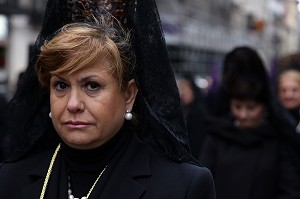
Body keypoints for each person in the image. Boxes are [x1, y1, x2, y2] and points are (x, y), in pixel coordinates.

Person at [0, 0, 215, 198]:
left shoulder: (182, 188)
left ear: (129, 95)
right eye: (61, 86)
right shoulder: (10, 180)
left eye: (92, 86)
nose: (73, 104)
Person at [199, 46, 300, 199]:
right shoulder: (217, 136)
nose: (243, 114)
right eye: (237, 107)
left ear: (264, 106)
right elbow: (202, 186)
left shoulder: (278, 140)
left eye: (251, 108)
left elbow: (290, 191)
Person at [176, 73, 208, 158]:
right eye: (181, 89)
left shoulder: (198, 112)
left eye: (185, 89)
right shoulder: (184, 109)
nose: (182, 93)